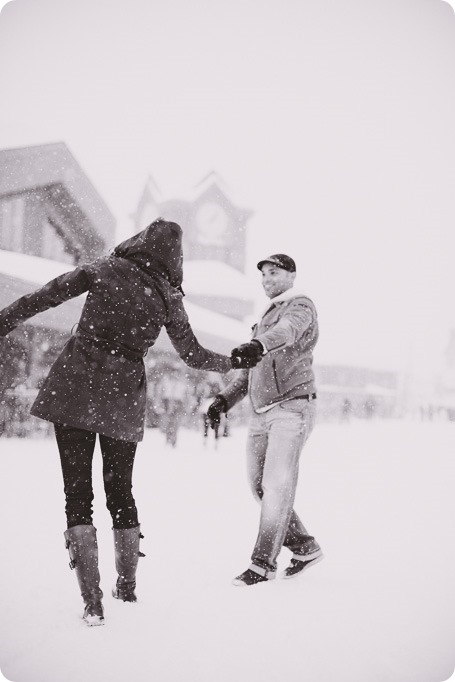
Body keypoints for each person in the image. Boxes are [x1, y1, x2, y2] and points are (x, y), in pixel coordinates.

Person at [0, 218, 255, 625]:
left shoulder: (105, 268)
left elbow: (45, 296)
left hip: (75, 387)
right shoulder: (169, 297)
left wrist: (4, 320)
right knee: (120, 490)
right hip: (121, 398)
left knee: (77, 492)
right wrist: (233, 361)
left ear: (139, 241)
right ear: (177, 258)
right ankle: (127, 585)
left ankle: (92, 602)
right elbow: (192, 355)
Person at [208, 253, 323, 586]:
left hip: (292, 408)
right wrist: (223, 399)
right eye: (263, 275)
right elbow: (250, 371)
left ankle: (262, 564)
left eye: (275, 272)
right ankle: (304, 547)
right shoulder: (263, 319)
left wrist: (258, 343)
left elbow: (287, 332)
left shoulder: (300, 306)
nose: (268, 279)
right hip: (261, 413)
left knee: (276, 487)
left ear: (291, 275)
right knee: (261, 486)